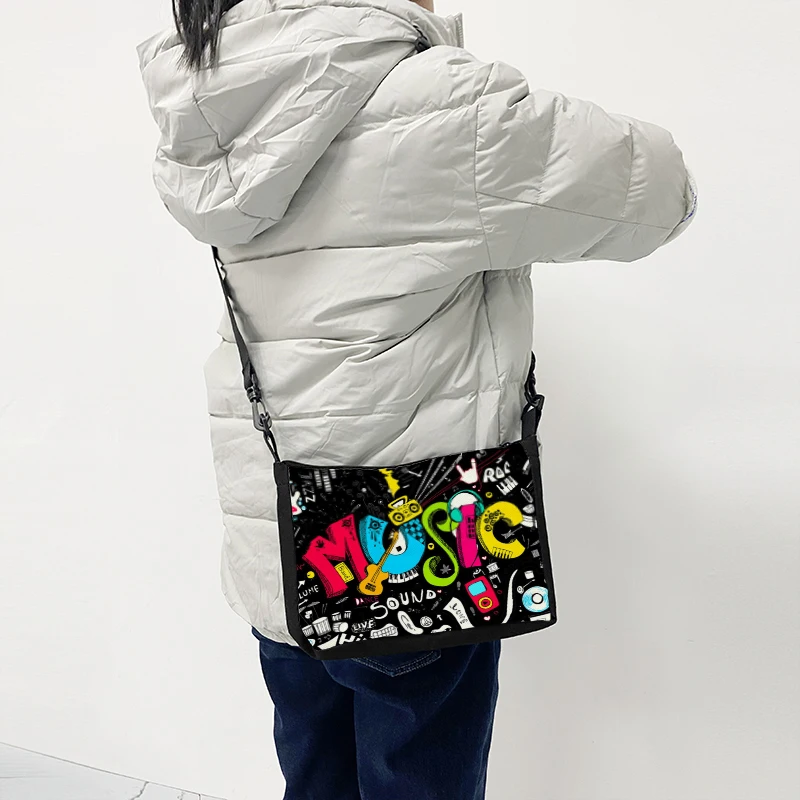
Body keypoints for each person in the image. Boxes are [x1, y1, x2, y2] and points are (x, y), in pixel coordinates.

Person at [135, 1, 698, 797]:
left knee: (315, 781)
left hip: (279, 553)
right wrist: (437, 43)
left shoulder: (211, 101)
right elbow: (662, 190)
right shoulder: (440, 99)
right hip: (415, 557)